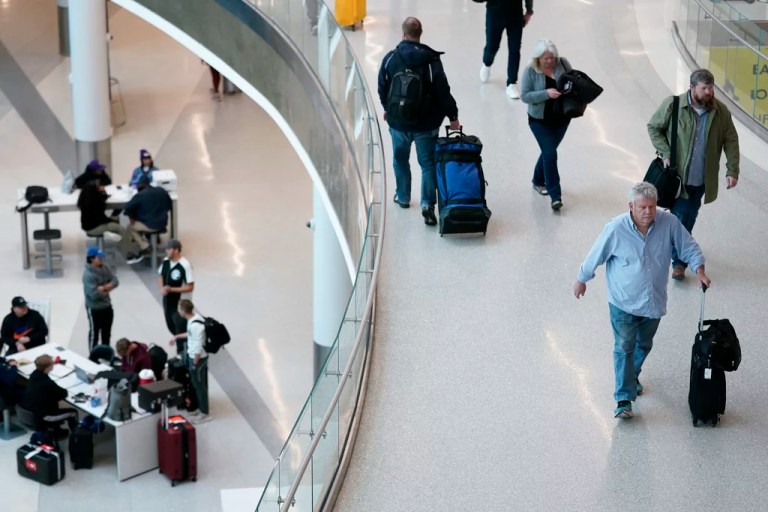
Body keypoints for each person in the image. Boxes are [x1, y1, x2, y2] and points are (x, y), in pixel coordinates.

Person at [573, 182, 711, 419]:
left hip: (652, 302)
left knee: (643, 345)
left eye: (652, 207)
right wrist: (582, 279)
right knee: (624, 347)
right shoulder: (616, 229)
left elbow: (688, 246)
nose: (648, 212)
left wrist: (699, 269)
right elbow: (595, 254)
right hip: (623, 301)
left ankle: (631, 375)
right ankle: (624, 399)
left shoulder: (668, 223)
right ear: (631, 206)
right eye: (643, 207)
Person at [647, 68, 740, 281]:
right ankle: (672, 253)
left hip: (698, 180)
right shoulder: (673, 105)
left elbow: (731, 139)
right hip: (673, 176)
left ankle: (678, 262)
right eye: (704, 88)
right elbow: (654, 127)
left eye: (711, 88)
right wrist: (665, 151)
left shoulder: (720, 112)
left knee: (685, 217)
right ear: (692, 88)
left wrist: (732, 170)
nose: (709, 92)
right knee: (675, 217)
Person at [377, 17, 461, 226]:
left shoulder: (391, 58)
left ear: (403, 34)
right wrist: (453, 116)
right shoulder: (431, 61)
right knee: (427, 164)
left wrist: (388, 109)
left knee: (400, 159)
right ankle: (427, 204)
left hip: (398, 123)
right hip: (426, 124)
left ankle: (403, 197)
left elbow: (382, 87)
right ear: (420, 34)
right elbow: (442, 91)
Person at [520, 39, 572, 211]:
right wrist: (546, 94)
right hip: (539, 121)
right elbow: (525, 96)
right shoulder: (530, 71)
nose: (549, 61)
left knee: (547, 152)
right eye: (545, 58)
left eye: (551, 57)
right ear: (538, 58)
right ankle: (555, 195)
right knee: (550, 154)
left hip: (561, 119)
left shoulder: (562, 64)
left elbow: (573, 81)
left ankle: (537, 180)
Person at [478, 0, 534, 99]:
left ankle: (512, 83)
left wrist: (529, 10)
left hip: (515, 14)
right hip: (495, 12)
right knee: (492, 46)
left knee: (515, 49)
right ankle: (487, 63)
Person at [77, 182, 144, 264]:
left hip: (88, 226)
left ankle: (124, 245)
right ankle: (129, 255)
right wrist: (111, 220)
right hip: (96, 226)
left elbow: (102, 200)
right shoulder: (96, 202)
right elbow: (101, 218)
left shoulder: (85, 200)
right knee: (121, 229)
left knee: (115, 219)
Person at [171, 299, 210, 424]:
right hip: (194, 356)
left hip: (197, 358)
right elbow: (190, 335)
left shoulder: (195, 325)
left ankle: (204, 412)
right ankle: (201, 408)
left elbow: (198, 344)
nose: (178, 311)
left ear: (183, 310)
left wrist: (195, 362)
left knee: (199, 385)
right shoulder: (194, 319)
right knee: (198, 383)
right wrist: (177, 337)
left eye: (179, 309)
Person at [20, 355, 78, 433]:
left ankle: (58, 430)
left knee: (54, 402)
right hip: (44, 415)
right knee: (73, 412)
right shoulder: (47, 383)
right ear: (47, 367)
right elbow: (63, 394)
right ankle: (76, 436)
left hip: (34, 409)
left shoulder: (34, 374)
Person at [124, 174, 173, 258]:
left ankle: (145, 246)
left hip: (150, 225)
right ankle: (153, 241)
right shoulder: (161, 190)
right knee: (148, 220)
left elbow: (127, 208)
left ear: (140, 185)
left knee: (130, 227)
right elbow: (169, 206)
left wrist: (132, 217)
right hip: (163, 223)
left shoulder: (140, 195)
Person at [83, 247, 119, 350]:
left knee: (106, 333)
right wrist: (108, 289)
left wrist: (104, 288)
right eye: (99, 258)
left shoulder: (105, 268)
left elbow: (115, 280)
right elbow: (93, 295)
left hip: (107, 306)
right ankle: (93, 355)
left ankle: (105, 352)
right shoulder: (88, 275)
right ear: (92, 259)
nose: (101, 260)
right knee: (94, 334)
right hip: (94, 309)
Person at [158, 239, 195, 337]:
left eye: (169, 249)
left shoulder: (185, 265)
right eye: (166, 249)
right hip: (168, 301)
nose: (166, 251)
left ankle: (183, 349)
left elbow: (190, 287)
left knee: (180, 329)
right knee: (171, 325)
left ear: (176, 250)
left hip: (180, 304)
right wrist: (162, 288)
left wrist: (170, 289)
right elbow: (161, 276)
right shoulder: (166, 261)